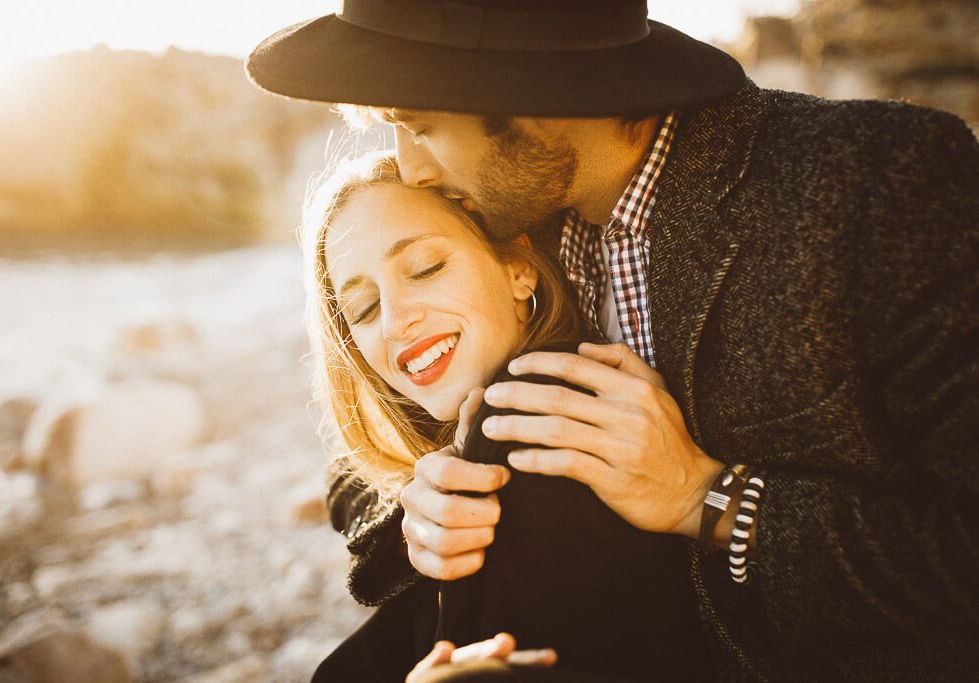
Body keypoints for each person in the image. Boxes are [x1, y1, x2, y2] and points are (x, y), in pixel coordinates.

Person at [247, 0, 979, 679]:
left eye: (422, 124)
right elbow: (361, 446)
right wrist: (420, 502)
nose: (412, 166)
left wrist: (710, 496)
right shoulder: (515, 215)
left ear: (537, 101)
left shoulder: (872, 182)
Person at [302, 153, 711, 681]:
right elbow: (349, 477)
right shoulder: (469, 436)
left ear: (518, 269)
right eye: (364, 309)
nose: (397, 321)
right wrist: (409, 513)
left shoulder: (530, 424)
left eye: (426, 269)